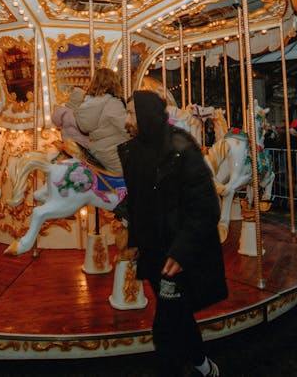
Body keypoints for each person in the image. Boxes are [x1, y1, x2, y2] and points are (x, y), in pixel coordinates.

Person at [118, 90, 226, 377]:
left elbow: (205, 205)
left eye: (130, 114)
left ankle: (178, 368)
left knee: (165, 324)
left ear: (145, 115)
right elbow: (140, 198)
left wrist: (181, 250)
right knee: (177, 312)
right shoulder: (134, 151)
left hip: (175, 251)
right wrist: (130, 226)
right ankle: (205, 366)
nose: (125, 121)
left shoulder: (180, 147)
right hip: (154, 249)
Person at [74, 68, 128, 176]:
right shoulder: (112, 103)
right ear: (113, 83)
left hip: (98, 151)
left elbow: (84, 129)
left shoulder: (87, 105)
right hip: (113, 153)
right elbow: (125, 128)